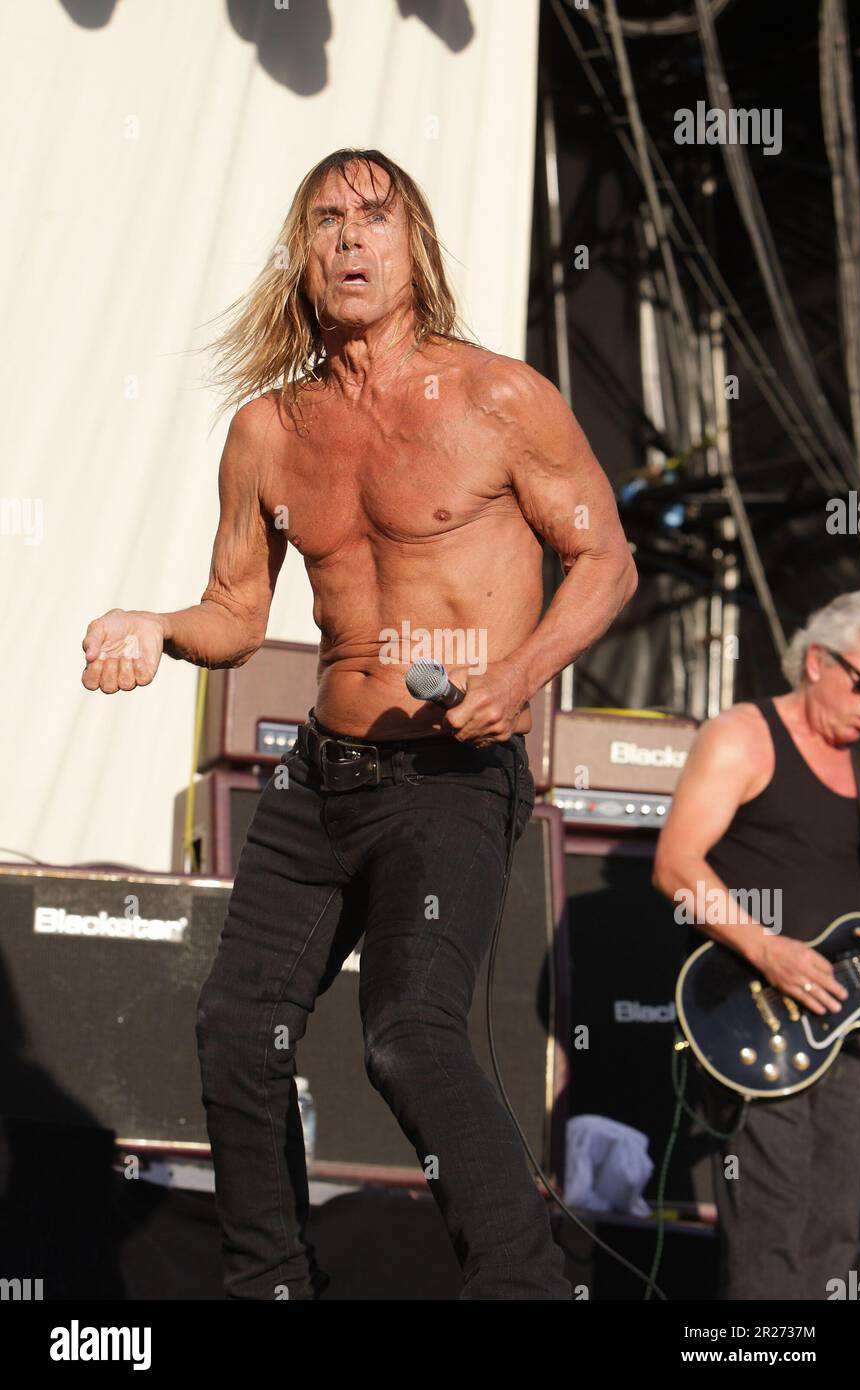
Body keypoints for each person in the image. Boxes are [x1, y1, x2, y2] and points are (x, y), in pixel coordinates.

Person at [81, 148, 637, 1300]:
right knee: (237, 1030)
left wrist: (523, 670)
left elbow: (605, 559)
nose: (348, 239)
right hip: (320, 777)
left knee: (407, 1032)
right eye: (326, 220)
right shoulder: (267, 432)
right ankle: (270, 1284)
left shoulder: (498, 396)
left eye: (372, 220)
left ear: (413, 249)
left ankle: (523, 1286)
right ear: (300, 254)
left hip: (450, 776)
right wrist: (154, 624)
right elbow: (238, 612)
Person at [653, 590, 860, 1300]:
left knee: (833, 1229)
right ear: (816, 661)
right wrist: (768, 949)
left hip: (850, 1022)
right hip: (760, 1011)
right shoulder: (744, 734)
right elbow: (677, 866)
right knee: (771, 1222)